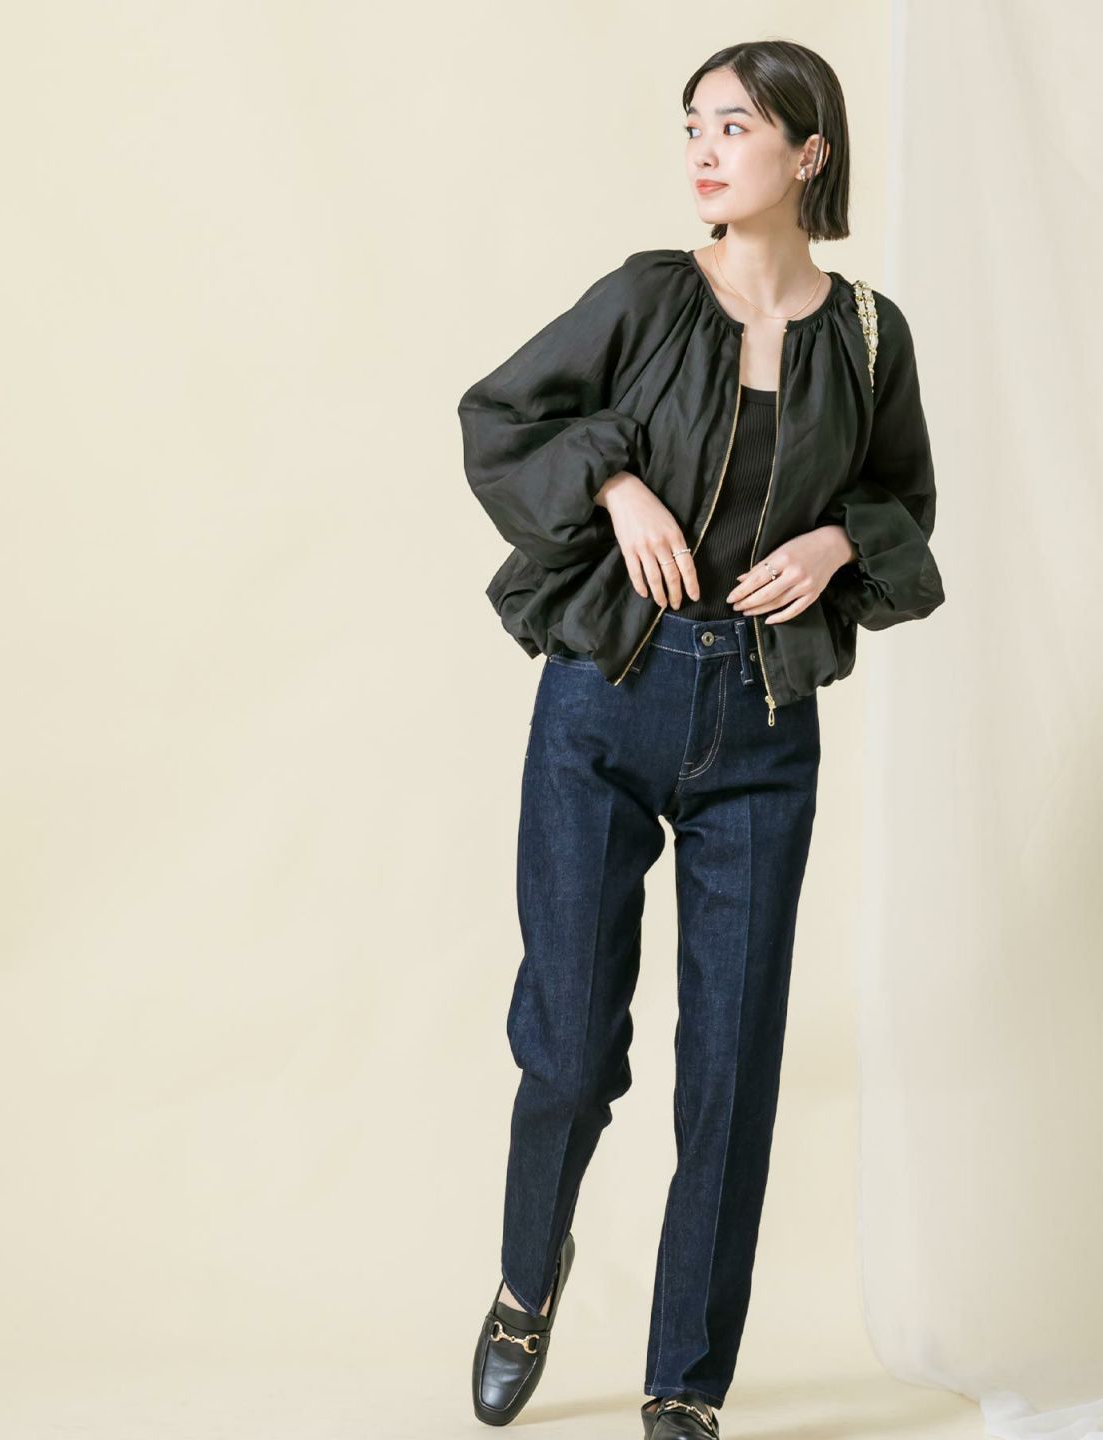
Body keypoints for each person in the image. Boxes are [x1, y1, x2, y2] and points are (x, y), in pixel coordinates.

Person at [459, 39, 944, 1440]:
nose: (704, 149)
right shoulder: (650, 296)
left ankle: (687, 1381)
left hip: (763, 725)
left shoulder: (869, 337)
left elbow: (908, 509)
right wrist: (614, 486)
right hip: (606, 698)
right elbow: (500, 417)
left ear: (809, 152)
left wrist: (840, 540)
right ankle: (526, 1281)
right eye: (693, 126)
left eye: (735, 126)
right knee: (569, 1045)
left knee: (731, 1072)